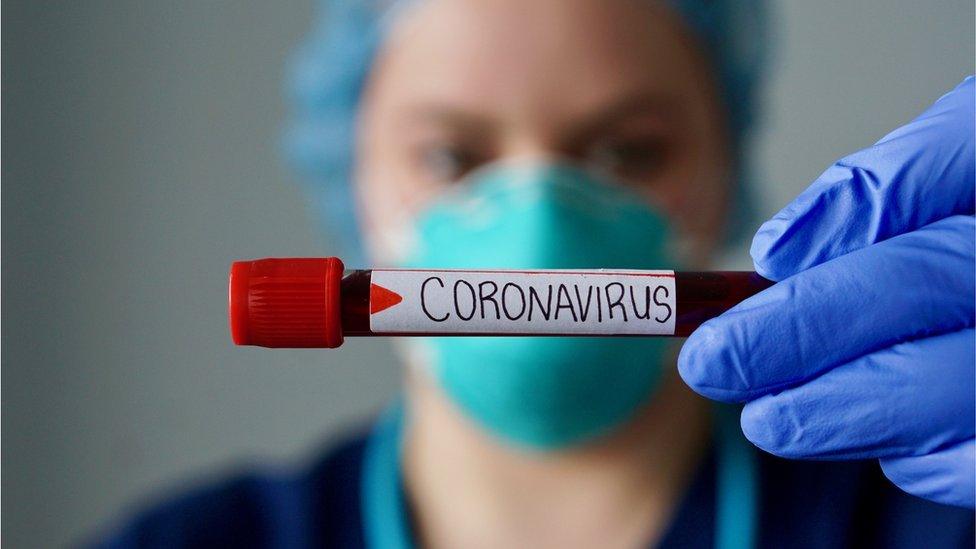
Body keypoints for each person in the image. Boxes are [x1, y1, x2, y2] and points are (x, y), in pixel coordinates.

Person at [92, 0, 975, 547]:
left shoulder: (928, 516)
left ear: (726, 163)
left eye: (629, 150)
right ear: (350, 173)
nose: (539, 220)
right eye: (448, 154)